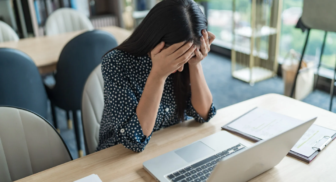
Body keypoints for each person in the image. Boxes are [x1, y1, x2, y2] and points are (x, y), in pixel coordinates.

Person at [97, 0, 216, 152]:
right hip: (118, 154)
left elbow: (204, 114)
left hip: (168, 146)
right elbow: (134, 140)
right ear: (155, 39)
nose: (180, 68)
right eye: (177, 57)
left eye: (187, 57)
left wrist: (195, 63)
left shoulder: (187, 59)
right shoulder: (116, 62)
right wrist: (158, 75)